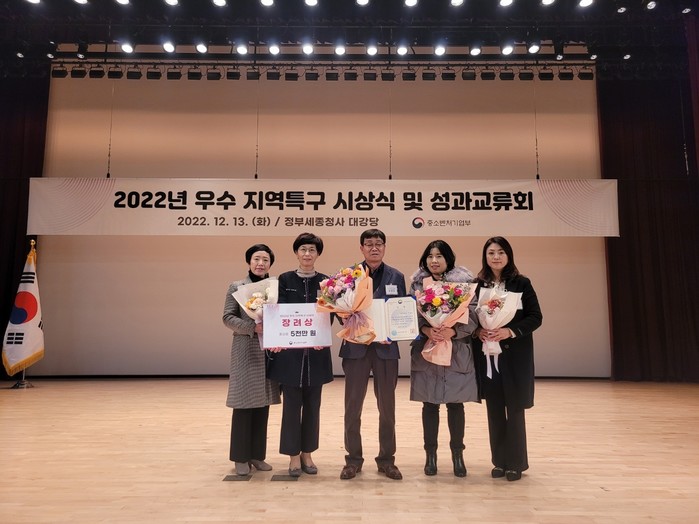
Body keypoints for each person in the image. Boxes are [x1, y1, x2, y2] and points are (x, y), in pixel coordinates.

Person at [472, 236, 543, 482]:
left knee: (514, 409)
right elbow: (468, 319)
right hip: (488, 357)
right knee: (494, 410)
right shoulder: (477, 285)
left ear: (509, 255)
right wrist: (478, 332)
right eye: (491, 252)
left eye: (501, 252)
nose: (496, 257)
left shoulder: (522, 283)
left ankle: (516, 463)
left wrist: (509, 331)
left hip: (514, 357)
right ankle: (499, 462)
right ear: (485, 257)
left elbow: (535, 317)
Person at [339, 229, 407, 481]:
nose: (374, 248)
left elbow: (401, 310)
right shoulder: (349, 276)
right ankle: (353, 460)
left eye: (379, 244)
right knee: (352, 406)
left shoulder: (396, 276)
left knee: (387, 407)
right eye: (369, 244)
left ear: (385, 247)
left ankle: (387, 460)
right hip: (356, 348)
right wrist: (344, 317)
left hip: (385, 349)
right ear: (361, 248)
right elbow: (338, 309)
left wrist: (396, 331)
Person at [409, 240, 479, 477]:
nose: (434, 260)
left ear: (449, 259)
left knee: (455, 405)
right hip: (428, 349)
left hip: (455, 350)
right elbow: (410, 314)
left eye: (439, 256)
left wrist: (453, 331)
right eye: (430, 256)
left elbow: (474, 314)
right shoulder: (418, 284)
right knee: (429, 404)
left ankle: (458, 455)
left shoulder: (465, 284)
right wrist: (426, 329)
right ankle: (431, 456)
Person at [266, 233, 334, 477]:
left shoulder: (326, 282)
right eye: (303, 249)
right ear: (296, 252)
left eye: (312, 250)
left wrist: (321, 335)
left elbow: (329, 313)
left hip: (316, 353)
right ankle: (293, 455)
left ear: (318, 254)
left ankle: (308, 453)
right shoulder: (284, 280)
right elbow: (277, 313)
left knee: (313, 406)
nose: (307, 254)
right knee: (292, 407)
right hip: (290, 355)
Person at [222, 243, 281, 476]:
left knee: (262, 404)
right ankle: (240, 457)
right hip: (246, 348)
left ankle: (257, 455)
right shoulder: (237, 286)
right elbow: (227, 317)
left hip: (268, 350)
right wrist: (252, 327)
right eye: (256, 259)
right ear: (249, 261)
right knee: (244, 404)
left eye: (265, 260)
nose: (260, 263)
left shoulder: (275, 287)